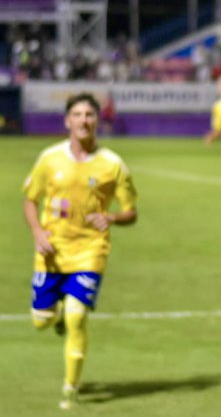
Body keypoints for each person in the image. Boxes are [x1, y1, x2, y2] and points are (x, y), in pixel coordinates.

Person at [22, 92, 138, 410]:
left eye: (89, 114)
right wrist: (37, 233)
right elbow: (30, 200)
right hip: (51, 251)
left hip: (90, 250)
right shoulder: (49, 158)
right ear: (67, 121)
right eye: (77, 114)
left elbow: (131, 211)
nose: (83, 120)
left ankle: (70, 387)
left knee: (77, 315)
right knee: (41, 321)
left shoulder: (113, 164)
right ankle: (55, 315)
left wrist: (111, 217)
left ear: (97, 120)